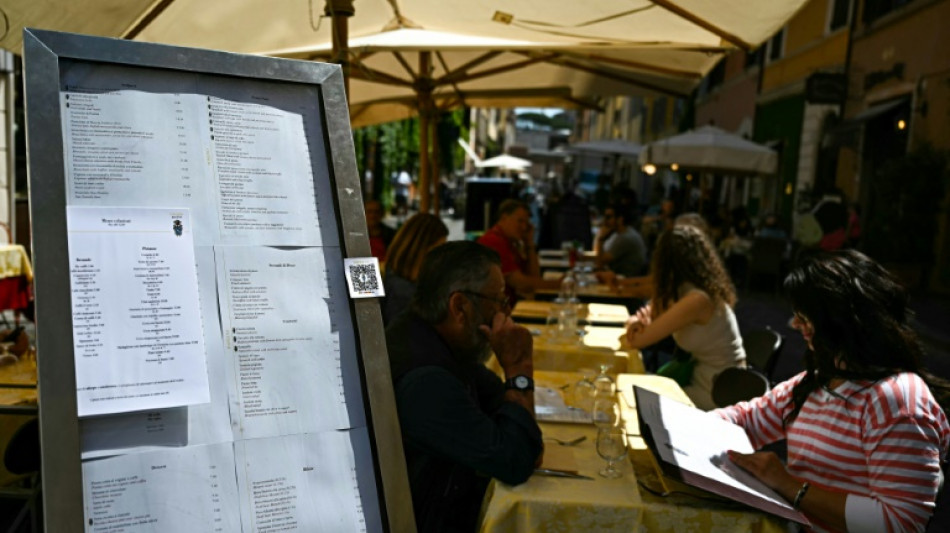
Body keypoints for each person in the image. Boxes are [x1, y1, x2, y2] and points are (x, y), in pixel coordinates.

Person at [720, 250, 950, 533]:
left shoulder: (897, 400)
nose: (794, 324)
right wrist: (688, 426)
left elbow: (899, 523)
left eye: (805, 316)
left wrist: (788, 485)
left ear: (839, 320)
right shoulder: (822, 379)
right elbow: (746, 420)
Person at [386, 241, 543, 533]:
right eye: (498, 301)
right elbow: (517, 461)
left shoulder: (436, 340)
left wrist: (517, 427)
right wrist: (519, 367)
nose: (504, 315)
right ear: (460, 306)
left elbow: (520, 435)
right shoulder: (427, 379)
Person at [624, 225, 746, 410]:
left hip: (717, 393)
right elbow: (649, 317)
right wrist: (642, 322)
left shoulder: (696, 300)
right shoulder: (695, 290)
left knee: (627, 393)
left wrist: (634, 322)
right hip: (707, 380)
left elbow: (637, 340)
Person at [477, 199, 560, 305]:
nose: (524, 227)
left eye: (527, 223)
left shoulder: (511, 242)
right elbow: (521, 283)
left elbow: (534, 276)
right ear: (504, 218)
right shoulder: (493, 241)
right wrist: (559, 284)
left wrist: (529, 243)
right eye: (520, 221)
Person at [382, 213, 449, 325]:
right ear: (420, 250)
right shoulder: (403, 291)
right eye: (438, 251)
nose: (441, 258)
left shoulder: (395, 278)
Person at [594, 203, 648, 277]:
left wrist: (601, 239)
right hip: (619, 278)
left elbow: (600, 263)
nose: (604, 221)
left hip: (627, 283)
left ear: (620, 219)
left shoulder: (625, 238)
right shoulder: (620, 233)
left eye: (608, 217)